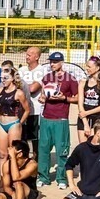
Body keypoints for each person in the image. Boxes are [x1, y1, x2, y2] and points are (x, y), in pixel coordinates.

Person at [37, 51, 79, 189]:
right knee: (43, 149)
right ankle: (43, 177)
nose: (52, 64)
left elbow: (78, 98)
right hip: (46, 117)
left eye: (55, 62)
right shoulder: (47, 77)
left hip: (61, 119)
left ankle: (62, 178)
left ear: (61, 62)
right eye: (51, 62)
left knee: (62, 150)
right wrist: (42, 98)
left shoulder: (70, 79)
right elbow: (42, 95)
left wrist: (64, 98)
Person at [0, 66, 31, 174]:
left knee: (13, 153)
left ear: (13, 78)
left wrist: (20, 123)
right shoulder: (1, 91)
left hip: (13, 123)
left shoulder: (19, 93)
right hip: (2, 123)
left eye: (6, 78)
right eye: (2, 78)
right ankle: (3, 180)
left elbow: (27, 110)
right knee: (2, 154)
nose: (3, 80)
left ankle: (14, 178)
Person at [18, 46, 48, 155]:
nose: (27, 57)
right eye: (26, 54)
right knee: (22, 141)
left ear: (37, 57)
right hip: (21, 111)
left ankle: (36, 167)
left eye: (29, 55)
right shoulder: (21, 70)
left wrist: (21, 86)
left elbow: (32, 89)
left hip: (35, 110)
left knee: (36, 141)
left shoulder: (42, 70)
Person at [76, 55, 100, 142]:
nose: (87, 68)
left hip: (97, 118)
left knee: (95, 145)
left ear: (97, 67)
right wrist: (85, 123)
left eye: (89, 66)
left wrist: (87, 112)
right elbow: (80, 104)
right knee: (83, 147)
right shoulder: (83, 82)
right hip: (83, 119)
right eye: (86, 66)